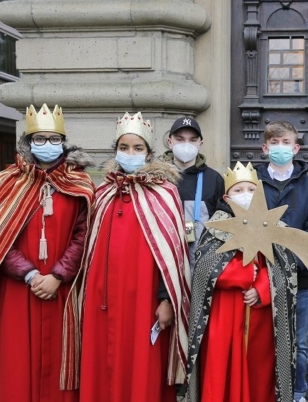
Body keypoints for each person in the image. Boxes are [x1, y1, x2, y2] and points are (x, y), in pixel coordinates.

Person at [0, 104, 95, 402]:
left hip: (63, 290)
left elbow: (84, 234)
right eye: (39, 139)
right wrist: (29, 274)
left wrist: (57, 275)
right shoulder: (8, 182)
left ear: (63, 142)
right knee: (18, 361)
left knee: (60, 362)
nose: (47, 145)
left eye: (54, 139)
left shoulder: (80, 183)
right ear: (28, 143)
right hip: (19, 290)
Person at [79, 112, 191, 402]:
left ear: (150, 153)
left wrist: (166, 300)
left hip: (144, 300)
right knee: (102, 364)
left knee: (142, 367)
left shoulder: (165, 194)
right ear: (115, 151)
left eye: (137, 148)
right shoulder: (102, 193)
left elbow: (174, 255)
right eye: (124, 147)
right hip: (101, 300)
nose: (130, 153)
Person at [186, 161, 297, 402]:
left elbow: (284, 268)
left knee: (259, 371)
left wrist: (262, 288)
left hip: (262, 317)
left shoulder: (275, 226)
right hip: (224, 312)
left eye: (251, 190)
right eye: (238, 191)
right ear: (227, 197)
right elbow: (206, 269)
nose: (245, 195)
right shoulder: (215, 227)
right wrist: (246, 275)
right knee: (222, 369)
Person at [254, 120, 308, 402]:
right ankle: (263, 391)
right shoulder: (253, 182)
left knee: (298, 342)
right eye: (274, 143)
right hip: (259, 276)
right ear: (264, 148)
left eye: (286, 143)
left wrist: (288, 261)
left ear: (296, 148)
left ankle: (297, 393)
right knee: (262, 338)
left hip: (300, 277)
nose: (280, 148)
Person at [159, 116, 225, 262]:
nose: (186, 144)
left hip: (202, 260)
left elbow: (223, 224)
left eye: (192, 140)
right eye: (180, 139)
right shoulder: (156, 177)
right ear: (170, 142)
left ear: (200, 143)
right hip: (164, 258)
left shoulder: (214, 179)